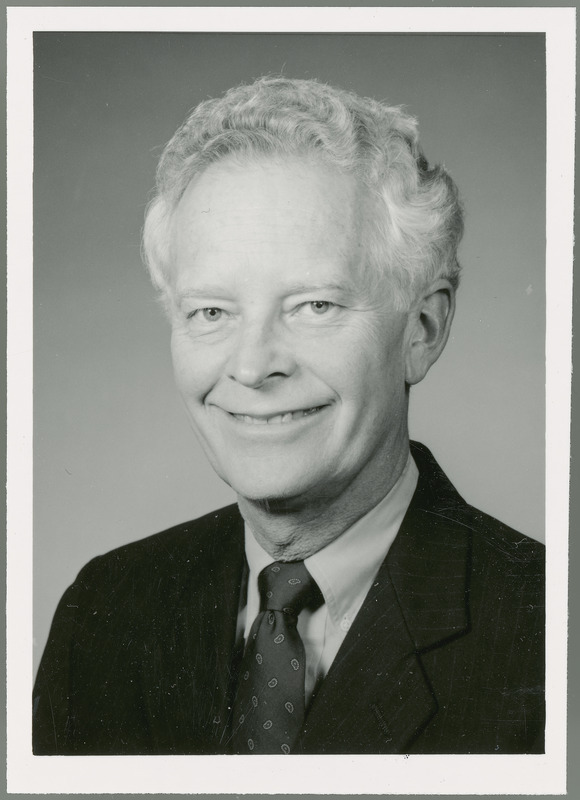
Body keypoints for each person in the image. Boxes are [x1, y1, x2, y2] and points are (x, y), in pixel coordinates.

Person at [33, 76, 544, 756]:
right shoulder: (104, 613)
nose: (252, 366)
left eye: (314, 305)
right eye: (211, 312)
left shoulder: (545, 633)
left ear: (422, 328)